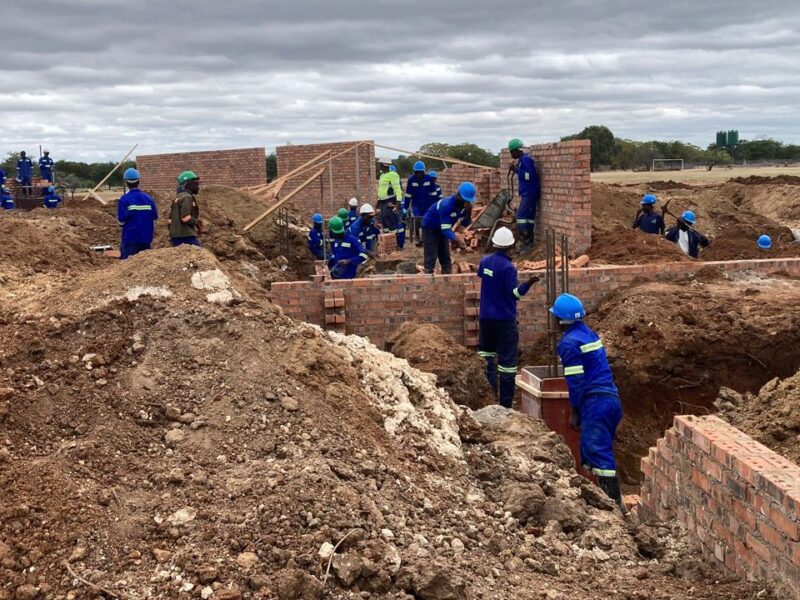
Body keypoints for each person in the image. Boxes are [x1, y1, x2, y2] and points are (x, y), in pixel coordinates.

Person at [550, 293, 625, 511]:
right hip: (611, 399)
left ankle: (613, 506)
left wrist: (575, 410)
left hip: (596, 403)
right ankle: (610, 501)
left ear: (560, 320)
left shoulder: (569, 344)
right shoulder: (587, 334)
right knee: (599, 450)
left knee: (597, 451)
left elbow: (576, 382)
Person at [477, 227, 540, 408]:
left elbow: (482, 274)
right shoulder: (508, 268)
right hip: (504, 321)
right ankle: (505, 404)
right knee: (507, 365)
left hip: (486, 319)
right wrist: (528, 284)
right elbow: (514, 294)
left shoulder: (485, 261)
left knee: (486, 356)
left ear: (495, 244)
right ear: (511, 246)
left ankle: (489, 397)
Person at [421, 181, 475, 274]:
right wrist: (457, 239)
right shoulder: (447, 205)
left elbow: (463, 226)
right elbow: (445, 229)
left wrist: (468, 212)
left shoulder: (464, 206)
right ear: (458, 195)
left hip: (443, 228)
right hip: (430, 226)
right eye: (465, 200)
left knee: (445, 255)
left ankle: (447, 278)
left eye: (468, 201)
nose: (466, 202)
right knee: (431, 254)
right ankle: (428, 276)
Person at [117, 168, 158, 259]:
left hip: (130, 239)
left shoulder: (124, 199)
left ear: (126, 183)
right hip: (146, 238)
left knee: (126, 265)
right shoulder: (148, 199)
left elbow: (121, 221)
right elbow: (155, 217)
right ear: (138, 181)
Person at [507, 139, 541, 252]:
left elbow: (529, 176)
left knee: (520, 217)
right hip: (528, 192)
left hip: (530, 192)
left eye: (511, 151)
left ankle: (526, 242)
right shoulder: (522, 160)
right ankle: (529, 243)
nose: (511, 154)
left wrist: (516, 170)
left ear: (517, 150)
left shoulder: (525, 160)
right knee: (529, 219)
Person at [403, 161, 435, 246]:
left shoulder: (429, 179)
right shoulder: (411, 180)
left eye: (420, 172)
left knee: (426, 220)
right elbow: (408, 195)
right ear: (414, 172)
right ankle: (417, 236)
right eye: (417, 172)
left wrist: (434, 206)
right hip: (416, 204)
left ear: (423, 171)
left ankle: (425, 237)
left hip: (427, 204)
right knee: (417, 220)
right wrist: (405, 207)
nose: (418, 174)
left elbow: (433, 194)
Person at [169, 171, 202, 246]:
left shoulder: (178, 197)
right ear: (188, 184)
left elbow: (170, 220)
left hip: (176, 236)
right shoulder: (187, 197)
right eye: (196, 184)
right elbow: (185, 218)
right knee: (200, 255)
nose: (198, 187)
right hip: (185, 236)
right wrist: (197, 223)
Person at [377, 160, 402, 226]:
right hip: (382, 202)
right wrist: (378, 203)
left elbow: (398, 189)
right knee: (384, 222)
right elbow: (381, 189)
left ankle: (394, 235)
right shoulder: (382, 175)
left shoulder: (393, 175)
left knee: (390, 221)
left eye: (380, 164)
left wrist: (398, 203)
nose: (379, 165)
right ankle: (387, 235)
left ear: (383, 165)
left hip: (389, 201)